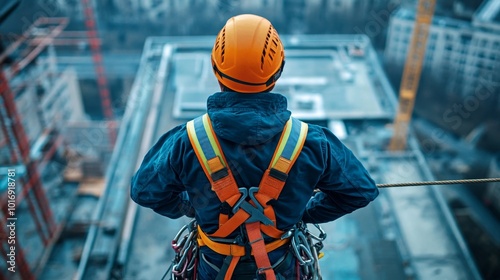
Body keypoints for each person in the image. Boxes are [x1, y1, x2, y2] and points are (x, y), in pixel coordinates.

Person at [131, 14, 378, 280]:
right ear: (279, 70)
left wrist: (191, 207)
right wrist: (303, 211)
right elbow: (360, 191)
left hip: (212, 270)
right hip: (282, 267)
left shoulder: (185, 142)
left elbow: (145, 191)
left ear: (215, 69)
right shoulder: (313, 142)